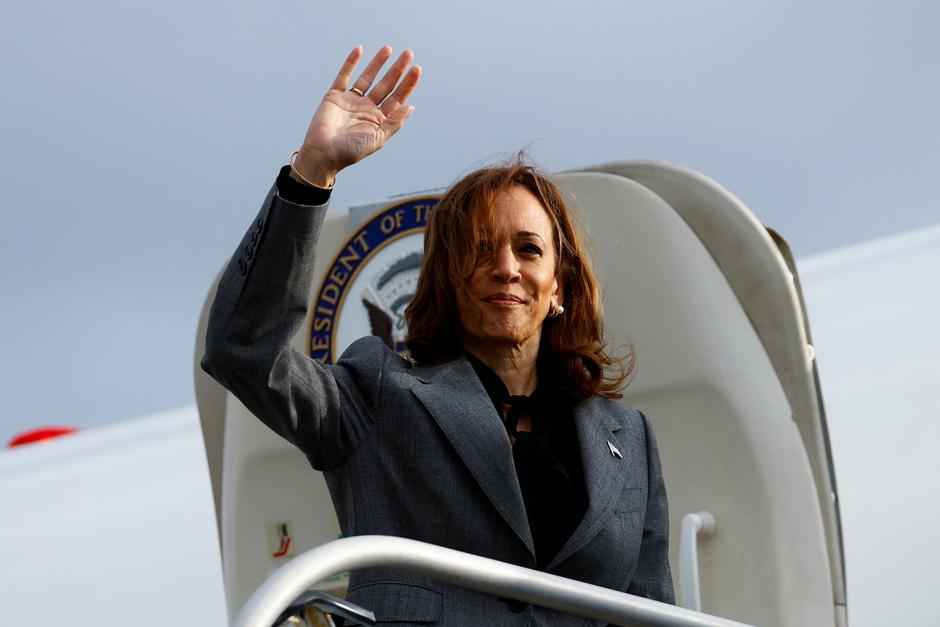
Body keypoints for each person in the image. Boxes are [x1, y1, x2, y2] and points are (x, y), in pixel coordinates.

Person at [202, 45, 674, 626]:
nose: (506, 267)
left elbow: (654, 612)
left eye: (528, 249)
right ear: (446, 279)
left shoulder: (629, 437)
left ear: (559, 288)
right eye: (479, 249)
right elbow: (243, 349)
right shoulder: (377, 394)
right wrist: (313, 173)